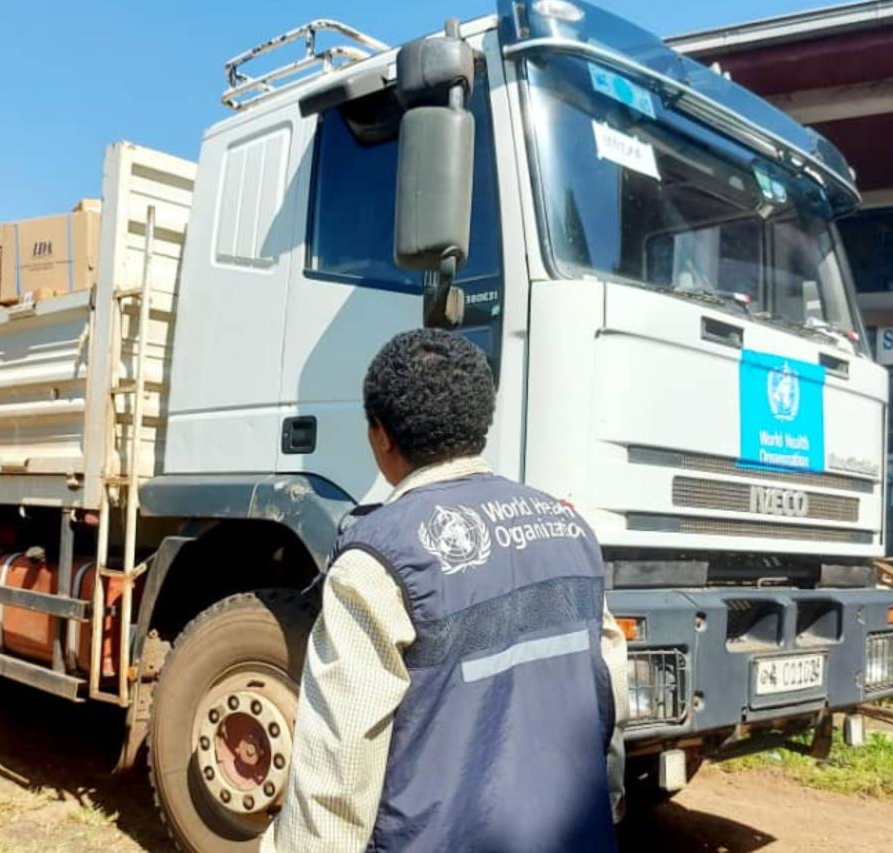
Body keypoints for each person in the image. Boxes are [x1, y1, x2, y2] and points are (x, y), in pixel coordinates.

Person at [260, 328, 628, 853]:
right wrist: (606, 805)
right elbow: (606, 695)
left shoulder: (377, 559)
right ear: (482, 423)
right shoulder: (570, 531)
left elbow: (338, 771)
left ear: (381, 435)